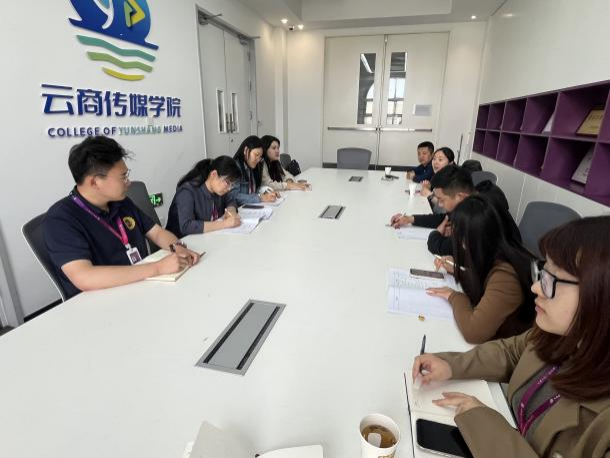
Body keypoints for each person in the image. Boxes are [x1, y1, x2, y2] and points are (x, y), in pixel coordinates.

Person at [412, 216, 610, 458]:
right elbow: (512, 351)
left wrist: (485, 425)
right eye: (542, 273)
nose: (536, 288)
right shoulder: (559, 334)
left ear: (601, 295)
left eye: (552, 280)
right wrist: (452, 365)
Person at [44, 136, 200, 299]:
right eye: (123, 177)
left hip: (141, 287)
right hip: (102, 302)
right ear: (95, 182)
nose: (128, 182)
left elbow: (157, 232)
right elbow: (85, 277)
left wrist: (177, 247)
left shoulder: (121, 202)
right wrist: (158, 268)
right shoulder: (60, 220)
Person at [427, 195, 535, 343]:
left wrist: (453, 296)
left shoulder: (506, 276)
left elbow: (473, 332)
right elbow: (485, 286)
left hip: (506, 346)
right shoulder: (496, 255)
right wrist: (458, 271)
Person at [389, 165, 515, 256]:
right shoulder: (473, 198)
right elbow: (445, 218)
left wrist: (436, 235)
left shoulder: (481, 214)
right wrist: (410, 219)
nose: (439, 204)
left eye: (441, 200)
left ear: (460, 196)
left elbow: (445, 247)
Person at [165, 156, 242, 238]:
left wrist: (231, 211)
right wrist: (224, 224)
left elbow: (230, 200)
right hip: (181, 241)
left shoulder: (218, 189)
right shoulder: (187, 191)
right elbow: (186, 226)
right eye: (228, 183)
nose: (229, 188)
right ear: (214, 174)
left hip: (207, 238)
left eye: (232, 185)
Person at [229, 135, 278, 206]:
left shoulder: (251, 167)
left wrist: (267, 192)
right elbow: (233, 196)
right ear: (246, 150)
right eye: (256, 155)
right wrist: (260, 198)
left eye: (260, 157)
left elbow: (253, 191)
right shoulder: (235, 168)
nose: (258, 160)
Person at [420, 147, 456, 212]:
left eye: (440, 159)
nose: (435, 162)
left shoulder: (453, 181)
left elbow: (447, 210)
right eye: (434, 159)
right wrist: (429, 188)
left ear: (450, 164)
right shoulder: (438, 176)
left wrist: (430, 195)